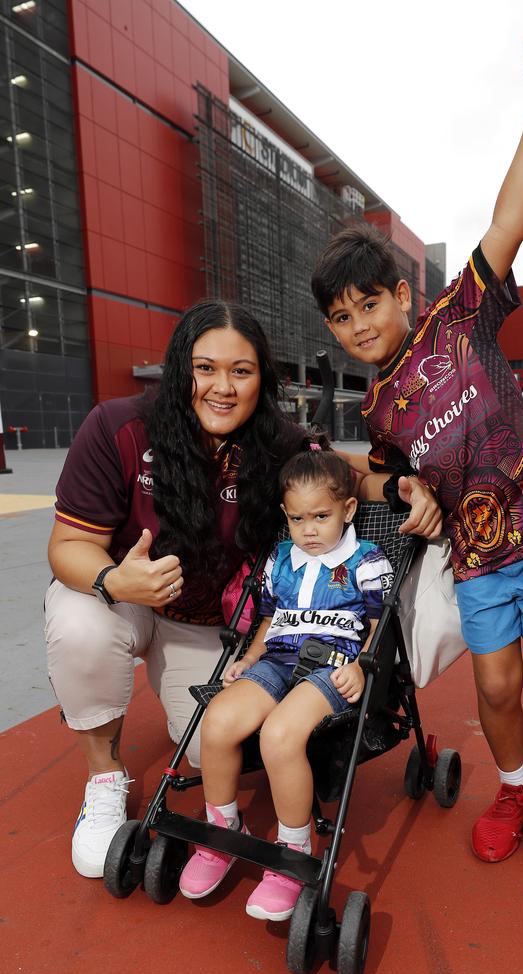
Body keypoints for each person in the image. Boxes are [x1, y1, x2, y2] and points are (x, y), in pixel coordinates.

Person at [311, 22, 523, 888]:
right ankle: (513, 790)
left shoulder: (460, 313)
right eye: (341, 317)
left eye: (371, 303)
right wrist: (397, 483)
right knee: (494, 687)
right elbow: (384, 470)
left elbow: (508, 216)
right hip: (477, 558)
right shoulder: (376, 402)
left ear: (404, 295)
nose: (360, 324)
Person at [46, 301, 319, 879]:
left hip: (205, 624)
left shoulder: (277, 445)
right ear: (179, 369)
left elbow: (340, 478)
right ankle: (103, 779)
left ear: (261, 379)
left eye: (241, 371)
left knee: (209, 749)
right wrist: (111, 579)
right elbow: (66, 546)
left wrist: (399, 483)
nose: (222, 387)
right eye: (205, 368)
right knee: (79, 625)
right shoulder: (118, 426)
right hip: (122, 598)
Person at [178, 450, 393, 919]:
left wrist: (361, 663)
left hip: (332, 663)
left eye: (321, 516)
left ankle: (295, 849)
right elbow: (269, 618)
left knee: (279, 735)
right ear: (285, 517)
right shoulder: (279, 558)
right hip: (276, 658)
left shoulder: (366, 559)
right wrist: (249, 658)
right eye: (298, 518)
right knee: (217, 722)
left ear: (348, 511)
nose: (309, 529)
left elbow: (378, 622)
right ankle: (222, 834)